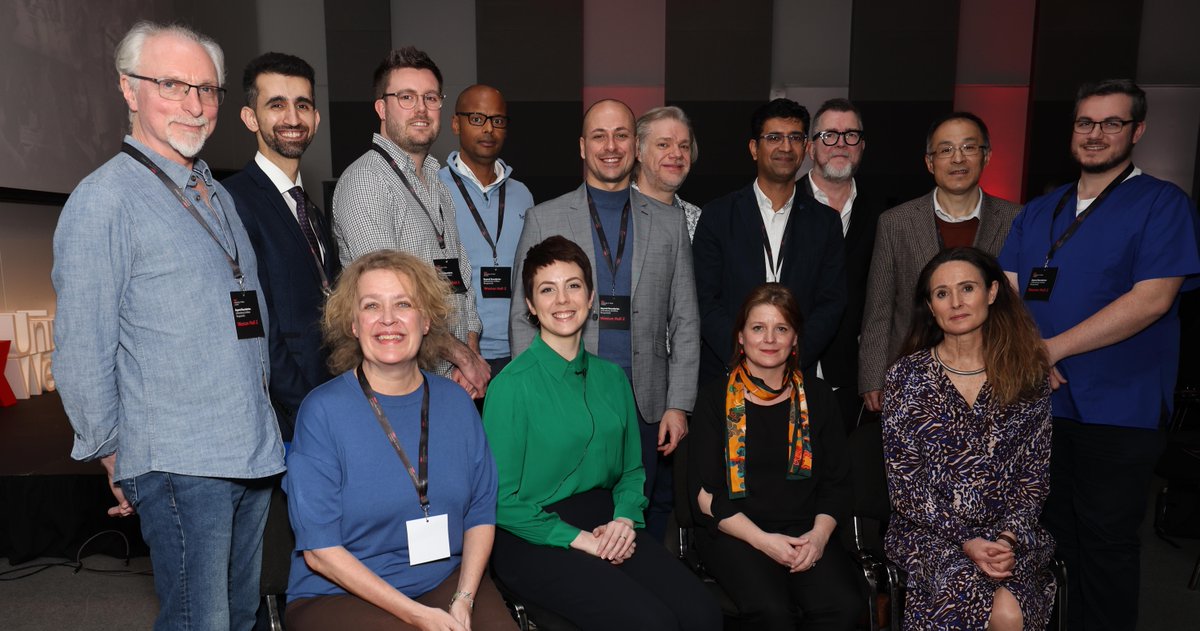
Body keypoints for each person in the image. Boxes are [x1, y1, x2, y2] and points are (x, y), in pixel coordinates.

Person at [52, 21, 284, 630]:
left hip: (249, 447)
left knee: (238, 616)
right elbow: (81, 346)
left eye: (207, 90)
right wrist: (109, 451)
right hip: (181, 459)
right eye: (173, 85)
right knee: (198, 622)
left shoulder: (216, 193)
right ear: (129, 91)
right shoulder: (105, 200)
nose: (195, 105)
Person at [999, 79, 1200, 631]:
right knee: (1048, 540)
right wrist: (1030, 356)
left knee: (1106, 544)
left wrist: (1051, 349)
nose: (1096, 134)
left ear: (1137, 131)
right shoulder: (1040, 211)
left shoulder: (1162, 204)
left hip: (1118, 409)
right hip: (1039, 408)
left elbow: (1153, 299)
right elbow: (1007, 294)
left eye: (1112, 123)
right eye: (1086, 122)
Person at [484, 236, 720, 631]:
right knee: (650, 622)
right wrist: (581, 540)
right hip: (532, 533)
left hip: (608, 520)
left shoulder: (612, 378)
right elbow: (499, 501)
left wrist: (624, 520)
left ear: (591, 297)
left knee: (703, 613)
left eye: (573, 285)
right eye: (547, 289)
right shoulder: (510, 386)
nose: (562, 300)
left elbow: (632, 472)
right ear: (529, 305)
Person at [283, 250, 513, 631]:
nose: (387, 319)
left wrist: (464, 597)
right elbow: (320, 554)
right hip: (339, 594)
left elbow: (481, 510)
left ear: (425, 321)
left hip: (447, 581)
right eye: (372, 306)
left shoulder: (457, 402)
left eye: (403, 304)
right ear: (354, 324)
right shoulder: (322, 412)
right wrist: (419, 617)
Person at [508, 99, 700, 541]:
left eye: (621, 135)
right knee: (577, 507)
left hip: (647, 399)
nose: (610, 146)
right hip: (568, 395)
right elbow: (523, 315)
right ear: (581, 146)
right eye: (599, 136)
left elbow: (686, 318)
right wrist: (535, 395)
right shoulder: (544, 217)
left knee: (642, 514)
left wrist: (678, 404)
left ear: (635, 145)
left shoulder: (670, 223)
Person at [883, 247, 1055, 631]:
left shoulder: (1028, 375)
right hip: (929, 532)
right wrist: (966, 541)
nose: (956, 302)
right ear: (930, 306)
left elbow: (1034, 477)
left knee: (1012, 607)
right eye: (942, 293)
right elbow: (907, 489)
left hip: (1009, 533)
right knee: (971, 594)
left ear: (992, 292)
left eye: (967, 288)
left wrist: (1007, 540)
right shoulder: (906, 378)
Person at [688, 283, 860, 630]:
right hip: (737, 533)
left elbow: (837, 484)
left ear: (795, 338)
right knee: (773, 612)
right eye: (758, 328)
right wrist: (764, 542)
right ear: (740, 336)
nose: (769, 339)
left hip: (806, 531)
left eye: (781, 328)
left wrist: (818, 538)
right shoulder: (713, 399)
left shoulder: (820, 396)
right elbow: (706, 497)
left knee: (846, 608)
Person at [332, 46, 490, 398]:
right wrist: (464, 359)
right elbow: (388, 296)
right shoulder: (366, 181)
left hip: (452, 380)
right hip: (399, 384)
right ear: (381, 108)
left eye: (430, 97)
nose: (421, 108)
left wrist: (470, 352)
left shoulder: (438, 183)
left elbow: (461, 281)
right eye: (406, 97)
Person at [859, 112, 1021, 414]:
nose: (958, 159)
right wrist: (872, 377)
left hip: (996, 375)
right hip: (911, 375)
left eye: (969, 148)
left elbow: (1023, 307)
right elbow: (879, 309)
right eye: (946, 150)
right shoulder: (896, 223)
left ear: (986, 157)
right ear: (930, 162)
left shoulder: (1017, 219)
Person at [225, 51, 339, 442]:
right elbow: (257, 324)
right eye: (277, 105)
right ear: (250, 118)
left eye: (302, 105)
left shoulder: (309, 208)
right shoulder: (235, 201)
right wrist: (307, 404)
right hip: (286, 415)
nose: (292, 118)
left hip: (327, 395)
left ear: (316, 119)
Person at [693, 98, 846, 386]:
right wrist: (742, 355)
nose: (785, 147)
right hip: (728, 377)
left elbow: (831, 302)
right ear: (754, 148)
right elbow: (704, 299)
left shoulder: (825, 223)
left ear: (806, 149)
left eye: (795, 138)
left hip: (797, 378)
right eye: (774, 137)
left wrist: (793, 357)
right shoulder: (717, 215)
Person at [437, 84, 534, 378]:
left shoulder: (523, 195)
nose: (489, 129)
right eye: (477, 119)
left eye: (498, 120)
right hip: (457, 356)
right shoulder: (433, 189)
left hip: (520, 351)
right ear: (456, 123)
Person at [800, 98, 883, 433]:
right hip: (788, 371)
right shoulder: (782, 207)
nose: (840, 144)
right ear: (810, 147)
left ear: (861, 146)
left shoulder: (884, 216)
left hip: (855, 382)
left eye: (850, 135)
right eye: (829, 135)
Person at [631, 105, 702, 241]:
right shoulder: (617, 210)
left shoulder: (698, 218)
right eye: (663, 145)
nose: (677, 154)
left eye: (684, 146)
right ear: (638, 151)